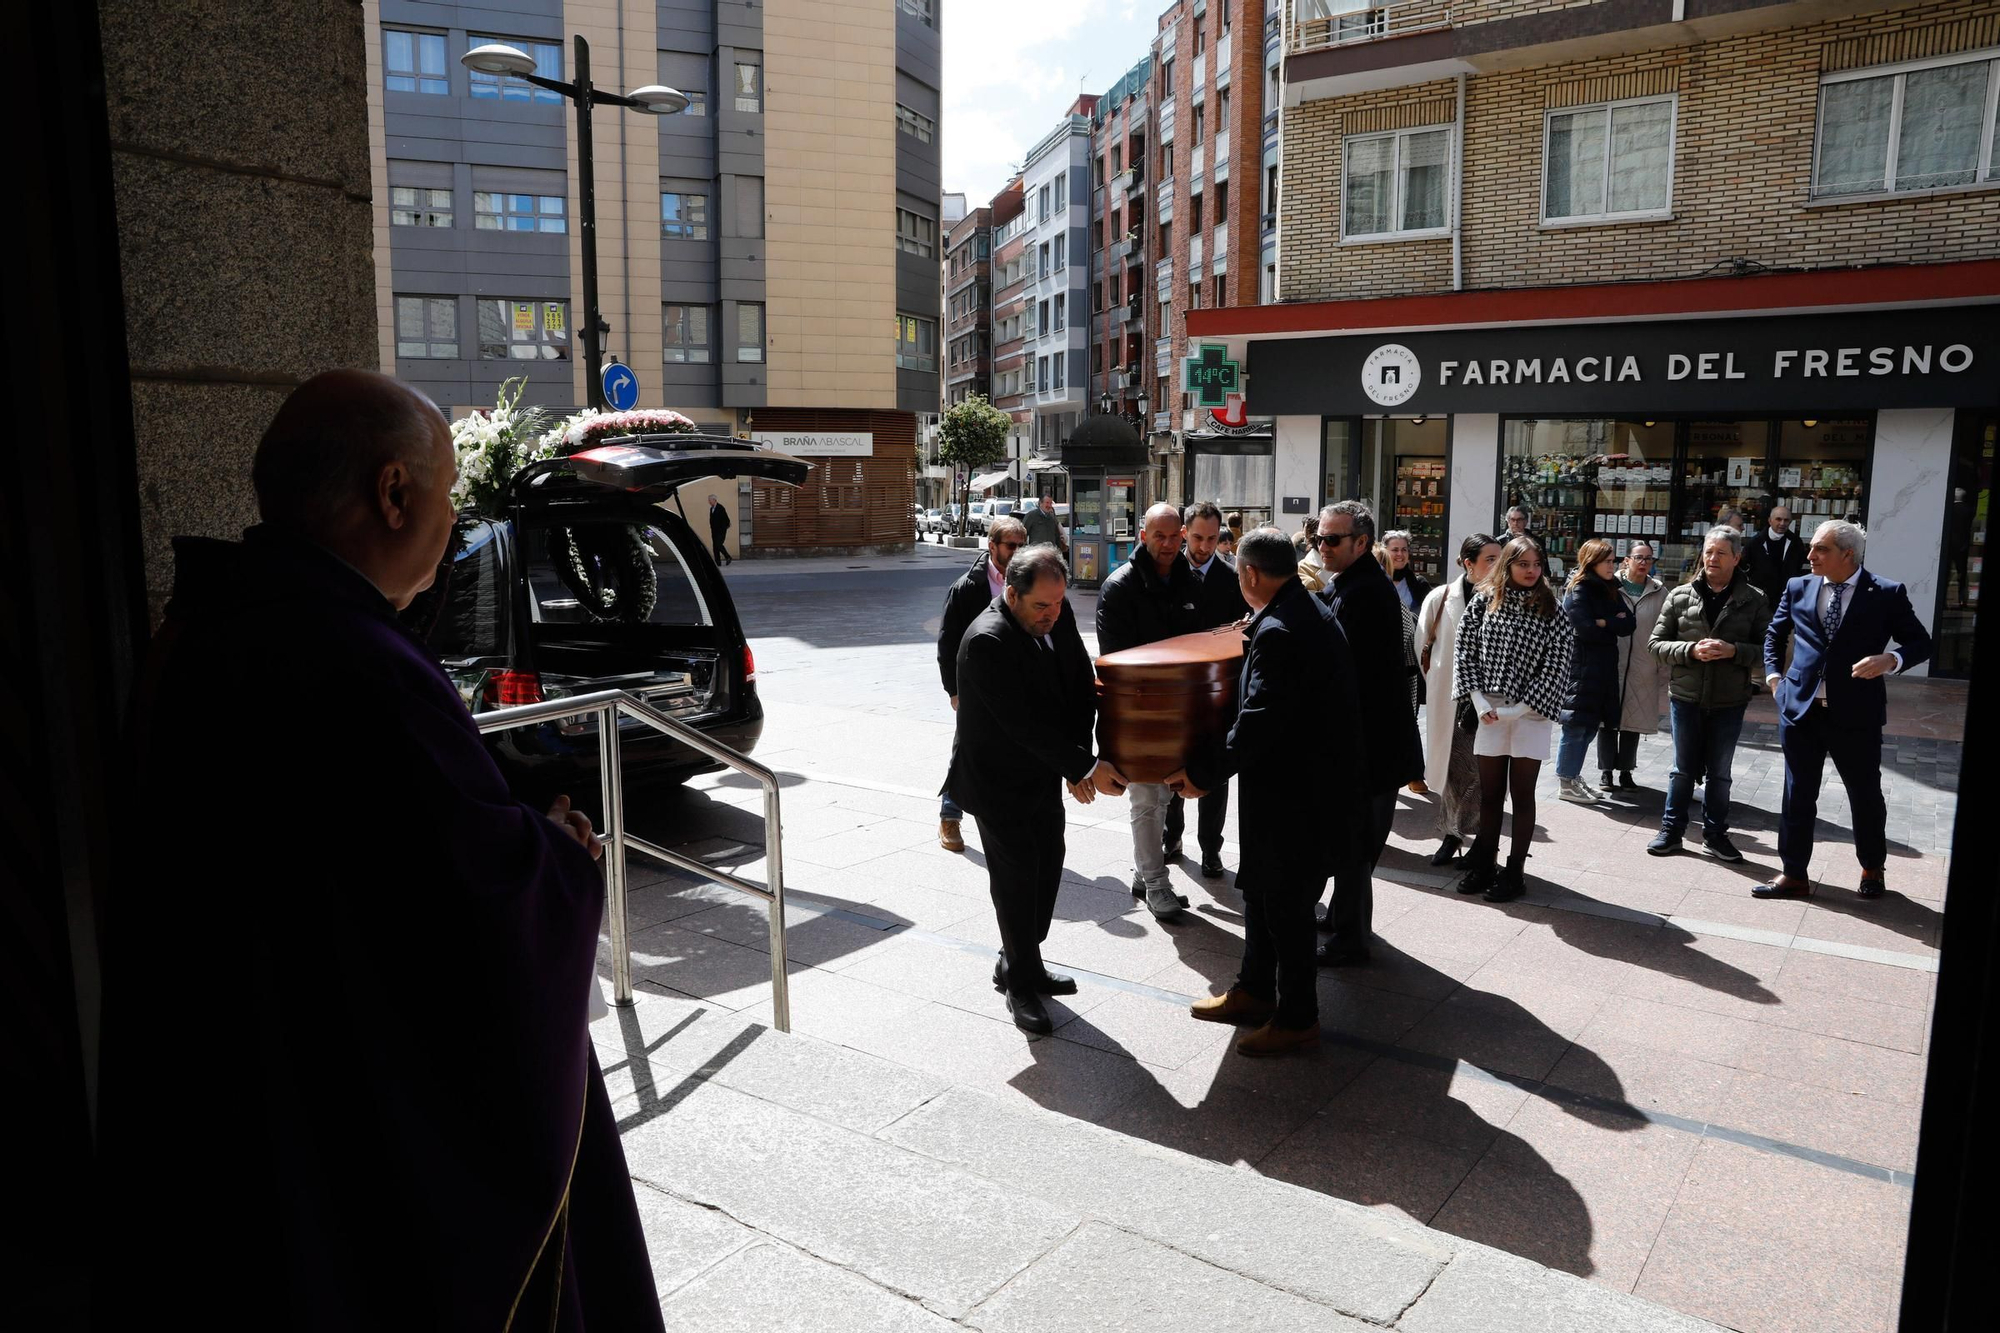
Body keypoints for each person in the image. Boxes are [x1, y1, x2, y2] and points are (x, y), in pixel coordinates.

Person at [101, 370, 664, 1327]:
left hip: (235, 1076)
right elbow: (471, 907)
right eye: (447, 495)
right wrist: (564, 859)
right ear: (394, 492)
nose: (451, 526)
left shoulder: (208, 626)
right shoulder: (355, 662)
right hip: (349, 1118)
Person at [1170, 529, 1360, 1057]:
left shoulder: (1282, 627)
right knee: (1259, 890)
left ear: (1250, 574)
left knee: (1286, 906)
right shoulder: (1299, 612)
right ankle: (1254, 990)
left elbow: (1258, 722)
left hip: (1295, 796)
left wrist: (1204, 775)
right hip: (1287, 788)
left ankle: (1298, 1017)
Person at [947, 546, 1129, 1032]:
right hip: (998, 781)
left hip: (1044, 773)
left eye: (1057, 604)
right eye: (1040, 607)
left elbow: (1078, 678)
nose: (1052, 615)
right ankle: (1021, 984)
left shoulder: (1055, 609)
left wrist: (1077, 763)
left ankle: (1018, 958)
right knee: (1016, 881)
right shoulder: (988, 640)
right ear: (1011, 593)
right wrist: (1086, 766)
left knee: (1048, 869)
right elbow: (1020, 725)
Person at [1755, 520, 1932, 900]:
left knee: (1864, 794)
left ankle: (1872, 868)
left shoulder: (1886, 592)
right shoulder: (1798, 585)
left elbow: (1920, 642)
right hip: (1800, 708)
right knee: (1797, 793)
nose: (1810, 555)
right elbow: (1775, 633)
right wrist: (1774, 678)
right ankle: (1793, 873)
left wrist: (1891, 659)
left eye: (1820, 549)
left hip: (1856, 712)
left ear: (1847, 554)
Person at [1311, 501, 1424, 964]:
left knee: (1356, 846)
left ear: (1361, 543)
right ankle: (1343, 919)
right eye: (1317, 537)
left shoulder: (1365, 594)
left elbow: (1348, 675)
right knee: (1353, 841)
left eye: (1331, 539)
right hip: (1370, 743)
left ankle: (1351, 938)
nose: (1321, 546)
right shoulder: (1349, 584)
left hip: (1370, 746)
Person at [1451, 537, 1575, 903]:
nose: (1531, 570)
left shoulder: (1553, 609)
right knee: (1490, 795)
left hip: (1530, 715)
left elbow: (1557, 665)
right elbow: (1465, 649)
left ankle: (1515, 870)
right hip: (1488, 709)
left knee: (1522, 795)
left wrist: (1518, 709)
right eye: (1523, 563)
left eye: (1537, 564)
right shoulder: (1483, 601)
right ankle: (1485, 862)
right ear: (1508, 564)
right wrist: (1476, 700)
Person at [1097, 502, 1202, 918]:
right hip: (1138, 710)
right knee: (1146, 797)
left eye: (1174, 535)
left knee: (1166, 797)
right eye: (1159, 535)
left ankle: (1147, 873)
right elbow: (1114, 659)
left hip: (1179, 709)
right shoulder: (1120, 586)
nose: (1167, 543)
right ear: (1142, 536)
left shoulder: (1190, 580)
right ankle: (1155, 882)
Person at [1645, 526, 1772, 861]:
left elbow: (1767, 650)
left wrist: (1733, 651)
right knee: (1682, 769)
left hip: (1730, 699)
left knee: (1719, 772)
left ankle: (1715, 835)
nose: (1712, 558)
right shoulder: (1680, 595)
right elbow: (1655, 645)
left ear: (1736, 557)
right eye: (1709, 551)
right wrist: (1689, 650)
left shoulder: (1754, 599)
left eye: (1721, 553)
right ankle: (1671, 831)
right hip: (1685, 696)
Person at [1165, 501, 1251, 878]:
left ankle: (1211, 849)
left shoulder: (1232, 579)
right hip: (1176, 690)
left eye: (1212, 538)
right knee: (1172, 766)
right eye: (1197, 537)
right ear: (1185, 533)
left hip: (1217, 693)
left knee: (1214, 773)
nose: (1204, 546)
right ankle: (1172, 837)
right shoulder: (1167, 573)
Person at [934, 516, 1029, 852]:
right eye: (1010, 546)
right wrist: (954, 691)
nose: (1017, 553)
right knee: (967, 750)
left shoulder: (1029, 582)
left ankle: (1005, 820)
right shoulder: (966, 588)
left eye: (1021, 546)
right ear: (992, 547)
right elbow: (947, 644)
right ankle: (950, 816)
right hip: (974, 688)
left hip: (1015, 687)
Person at [1417, 533, 1502, 866]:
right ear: (1469, 564)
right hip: (1453, 699)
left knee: (1487, 774)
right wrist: (1439, 682)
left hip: (1494, 700)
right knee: (1455, 771)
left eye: (1500, 558)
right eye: (1490, 559)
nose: (1497, 566)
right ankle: (1451, 835)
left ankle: (1484, 842)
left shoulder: (1506, 598)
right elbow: (1422, 644)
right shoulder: (1441, 596)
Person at [1553, 540, 1635, 804]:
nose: (1613, 566)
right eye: (1607, 561)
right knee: (1576, 724)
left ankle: (1573, 776)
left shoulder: (1610, 589)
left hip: (1603, 665)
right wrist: (1609, 622)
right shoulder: (1579, 589)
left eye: (1613, 561)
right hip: (1583, 665)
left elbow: (1629, 623)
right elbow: (1584, 627)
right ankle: (1566, 780)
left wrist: (1603, 622)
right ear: (1592, 561)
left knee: (1589, 726)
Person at [1598, 541, 1668, 790]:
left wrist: (1661, 664)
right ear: (1626, 560)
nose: (1644, 563)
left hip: (1643, 663)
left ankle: (1626, 771)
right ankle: (1606, 770)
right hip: (1611, 660)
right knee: (1607, 719)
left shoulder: (1660, 591)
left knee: (1633, 722)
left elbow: (1666, 627)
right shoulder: (1609, 586)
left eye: (1649, 559)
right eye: (1639, 558)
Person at [1742, 504, 1808, 613]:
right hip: (1760, 599)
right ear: (1770, 521)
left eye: (1786, 520)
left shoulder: (1796, 543)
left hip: (1785, 598)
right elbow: (1745, 567)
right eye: (1778, 519)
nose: (1782, 523)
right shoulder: (1755, 542)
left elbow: (1798, 567)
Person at [1023, 491, 1068, 558]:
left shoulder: (1052, 517)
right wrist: (1025, 551)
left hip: (1051, 554)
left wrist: (1059, 552)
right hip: (1036, 554)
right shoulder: (1032, 516)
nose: (1049, 506)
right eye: (1047, 503)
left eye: (1050, 503)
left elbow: (1057, 536)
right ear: (1040, 503)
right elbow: (1022, 533)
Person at [708, 492, 733, 565]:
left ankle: (728, 557)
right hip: (714, 531)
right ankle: (718, 562)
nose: (709, 502)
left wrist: (723, 528)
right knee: (715, 546)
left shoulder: (720, 508)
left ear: (714, 500)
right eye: (709, 500)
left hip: (721, 531)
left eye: (710, 500)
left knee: (718, 544)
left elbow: (726, 519)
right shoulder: (711, 509)